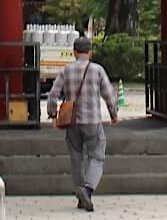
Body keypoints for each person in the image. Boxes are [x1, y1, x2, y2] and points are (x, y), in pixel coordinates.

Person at [45, 35, 118, 211]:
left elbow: (53, 95)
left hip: (72, 122)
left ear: (74, 52)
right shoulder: (97, 70)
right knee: (97, 155)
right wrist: (113, 114)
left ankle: (80, 195)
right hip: (92, 120)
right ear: (90, 53)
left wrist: (53, 114)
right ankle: (87, 189)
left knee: (76, 158)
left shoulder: (66, 70)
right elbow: (109, 94)